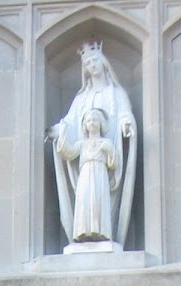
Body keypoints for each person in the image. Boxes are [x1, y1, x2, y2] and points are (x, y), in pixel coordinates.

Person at [48, 41, 137, 248]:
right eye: (87, 63)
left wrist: (126, 123)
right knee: (85, 201)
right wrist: (59, 131)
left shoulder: (117, 93)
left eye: (95, 60)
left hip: (108, 162)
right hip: (86, 165)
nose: (92, 65)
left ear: (104, 62)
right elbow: (69, 123)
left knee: (104, 204)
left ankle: (107, 233)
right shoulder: (81, 98)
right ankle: (84, 234)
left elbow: (125, 113)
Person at [55, 109, 117, 241]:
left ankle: (101, 232)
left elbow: (113, 164)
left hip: (100, 174)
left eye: (95, 119)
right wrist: (62, 132)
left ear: (101, 123)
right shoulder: (82, 144)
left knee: (99, 201)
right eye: (88, 120)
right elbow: (69, 152)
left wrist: (110, 150)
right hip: (85, 175)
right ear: (85, 125)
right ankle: (83, 232)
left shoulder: (106, 143)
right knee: (84, 202)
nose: (92, 123)